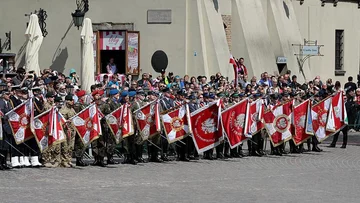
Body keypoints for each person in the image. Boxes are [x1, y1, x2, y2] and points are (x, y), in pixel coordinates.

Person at [0, 88, 12, 170]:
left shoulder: (8, 103)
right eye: (7, 94)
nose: (9, 95)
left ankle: (4, 162)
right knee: (2, 146)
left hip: (8, 127)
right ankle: (1, 163)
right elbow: (2, 115)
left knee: (6, 146)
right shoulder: (1, 103)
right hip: (3, 126)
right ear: (3, 95)